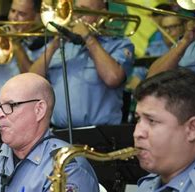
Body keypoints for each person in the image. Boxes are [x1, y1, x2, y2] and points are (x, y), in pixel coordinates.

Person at [30, 0, 135, 128]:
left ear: (102, 15)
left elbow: (113, 78)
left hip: (100, 133)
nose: (76, 16)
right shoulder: (61, 45)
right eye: (74, 10)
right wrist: (54, 44)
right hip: (59, 132)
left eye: (84, 11)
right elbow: (31, 82)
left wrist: (88, 38)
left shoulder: (118, 44)